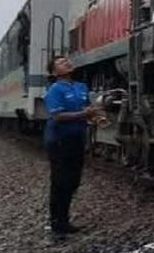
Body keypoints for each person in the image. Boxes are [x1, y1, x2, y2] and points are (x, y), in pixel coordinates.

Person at [44, 56, 98, 238]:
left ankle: (64, 220)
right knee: (60, 182)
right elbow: (58, 116)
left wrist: (95, 115)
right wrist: (84, 113)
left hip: (76, 138)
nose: (66, 62)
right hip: (59, 140)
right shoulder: (54, 90)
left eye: (67, 60)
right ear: (54, 72)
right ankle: (56, 225)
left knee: (73, 181)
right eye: (60, 63)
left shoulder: (81, 87)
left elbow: (87, 108)